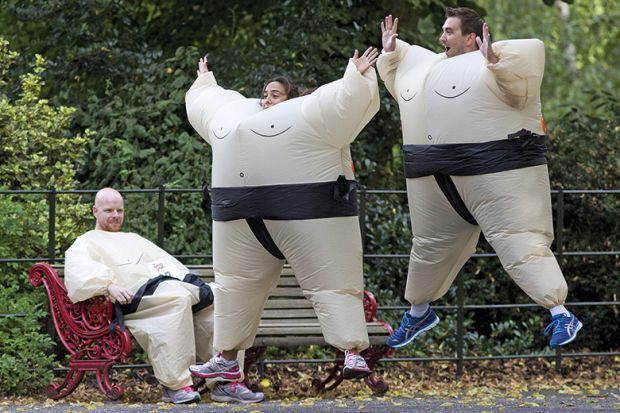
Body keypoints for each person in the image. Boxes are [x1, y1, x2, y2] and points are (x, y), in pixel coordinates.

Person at [376, 8, 582, 350]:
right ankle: (418, 311)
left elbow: (524, 70)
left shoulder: (493, 67)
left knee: (519, 243)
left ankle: (561, 313)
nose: (442, 38)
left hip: (494, 174)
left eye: (449, 31)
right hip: (435, 181)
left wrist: (497, 59)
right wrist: (391, 52)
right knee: (428, 248)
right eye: (442, 31)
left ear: (471, 37)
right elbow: (401, 83)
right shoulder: (429, 69)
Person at [185, 47, 380, 390]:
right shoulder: (236, 120)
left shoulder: (309, 113)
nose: (266, 100)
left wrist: (357, 74)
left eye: (275, 95)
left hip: (308, 212)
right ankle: (228, 360)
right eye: (264, 94)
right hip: (243, 217)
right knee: (235, 286)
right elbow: (209, 105)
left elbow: (342, 102)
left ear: (290, 98)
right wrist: (204, 82)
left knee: (331, 282)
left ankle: (352, 351)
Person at [64, 188, 263, 404]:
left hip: (162, 292)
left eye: (119, 210)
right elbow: (80, 271)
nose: (115, 215)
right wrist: (108, 285)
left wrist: (189, 283)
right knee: (177, 299)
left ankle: (225, 382)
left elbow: (166, 264)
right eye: (109, 210)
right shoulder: (87, 242)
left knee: (216, 300)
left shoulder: (132, 238)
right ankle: (175, 385)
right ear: (95, 211)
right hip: (134, 302)